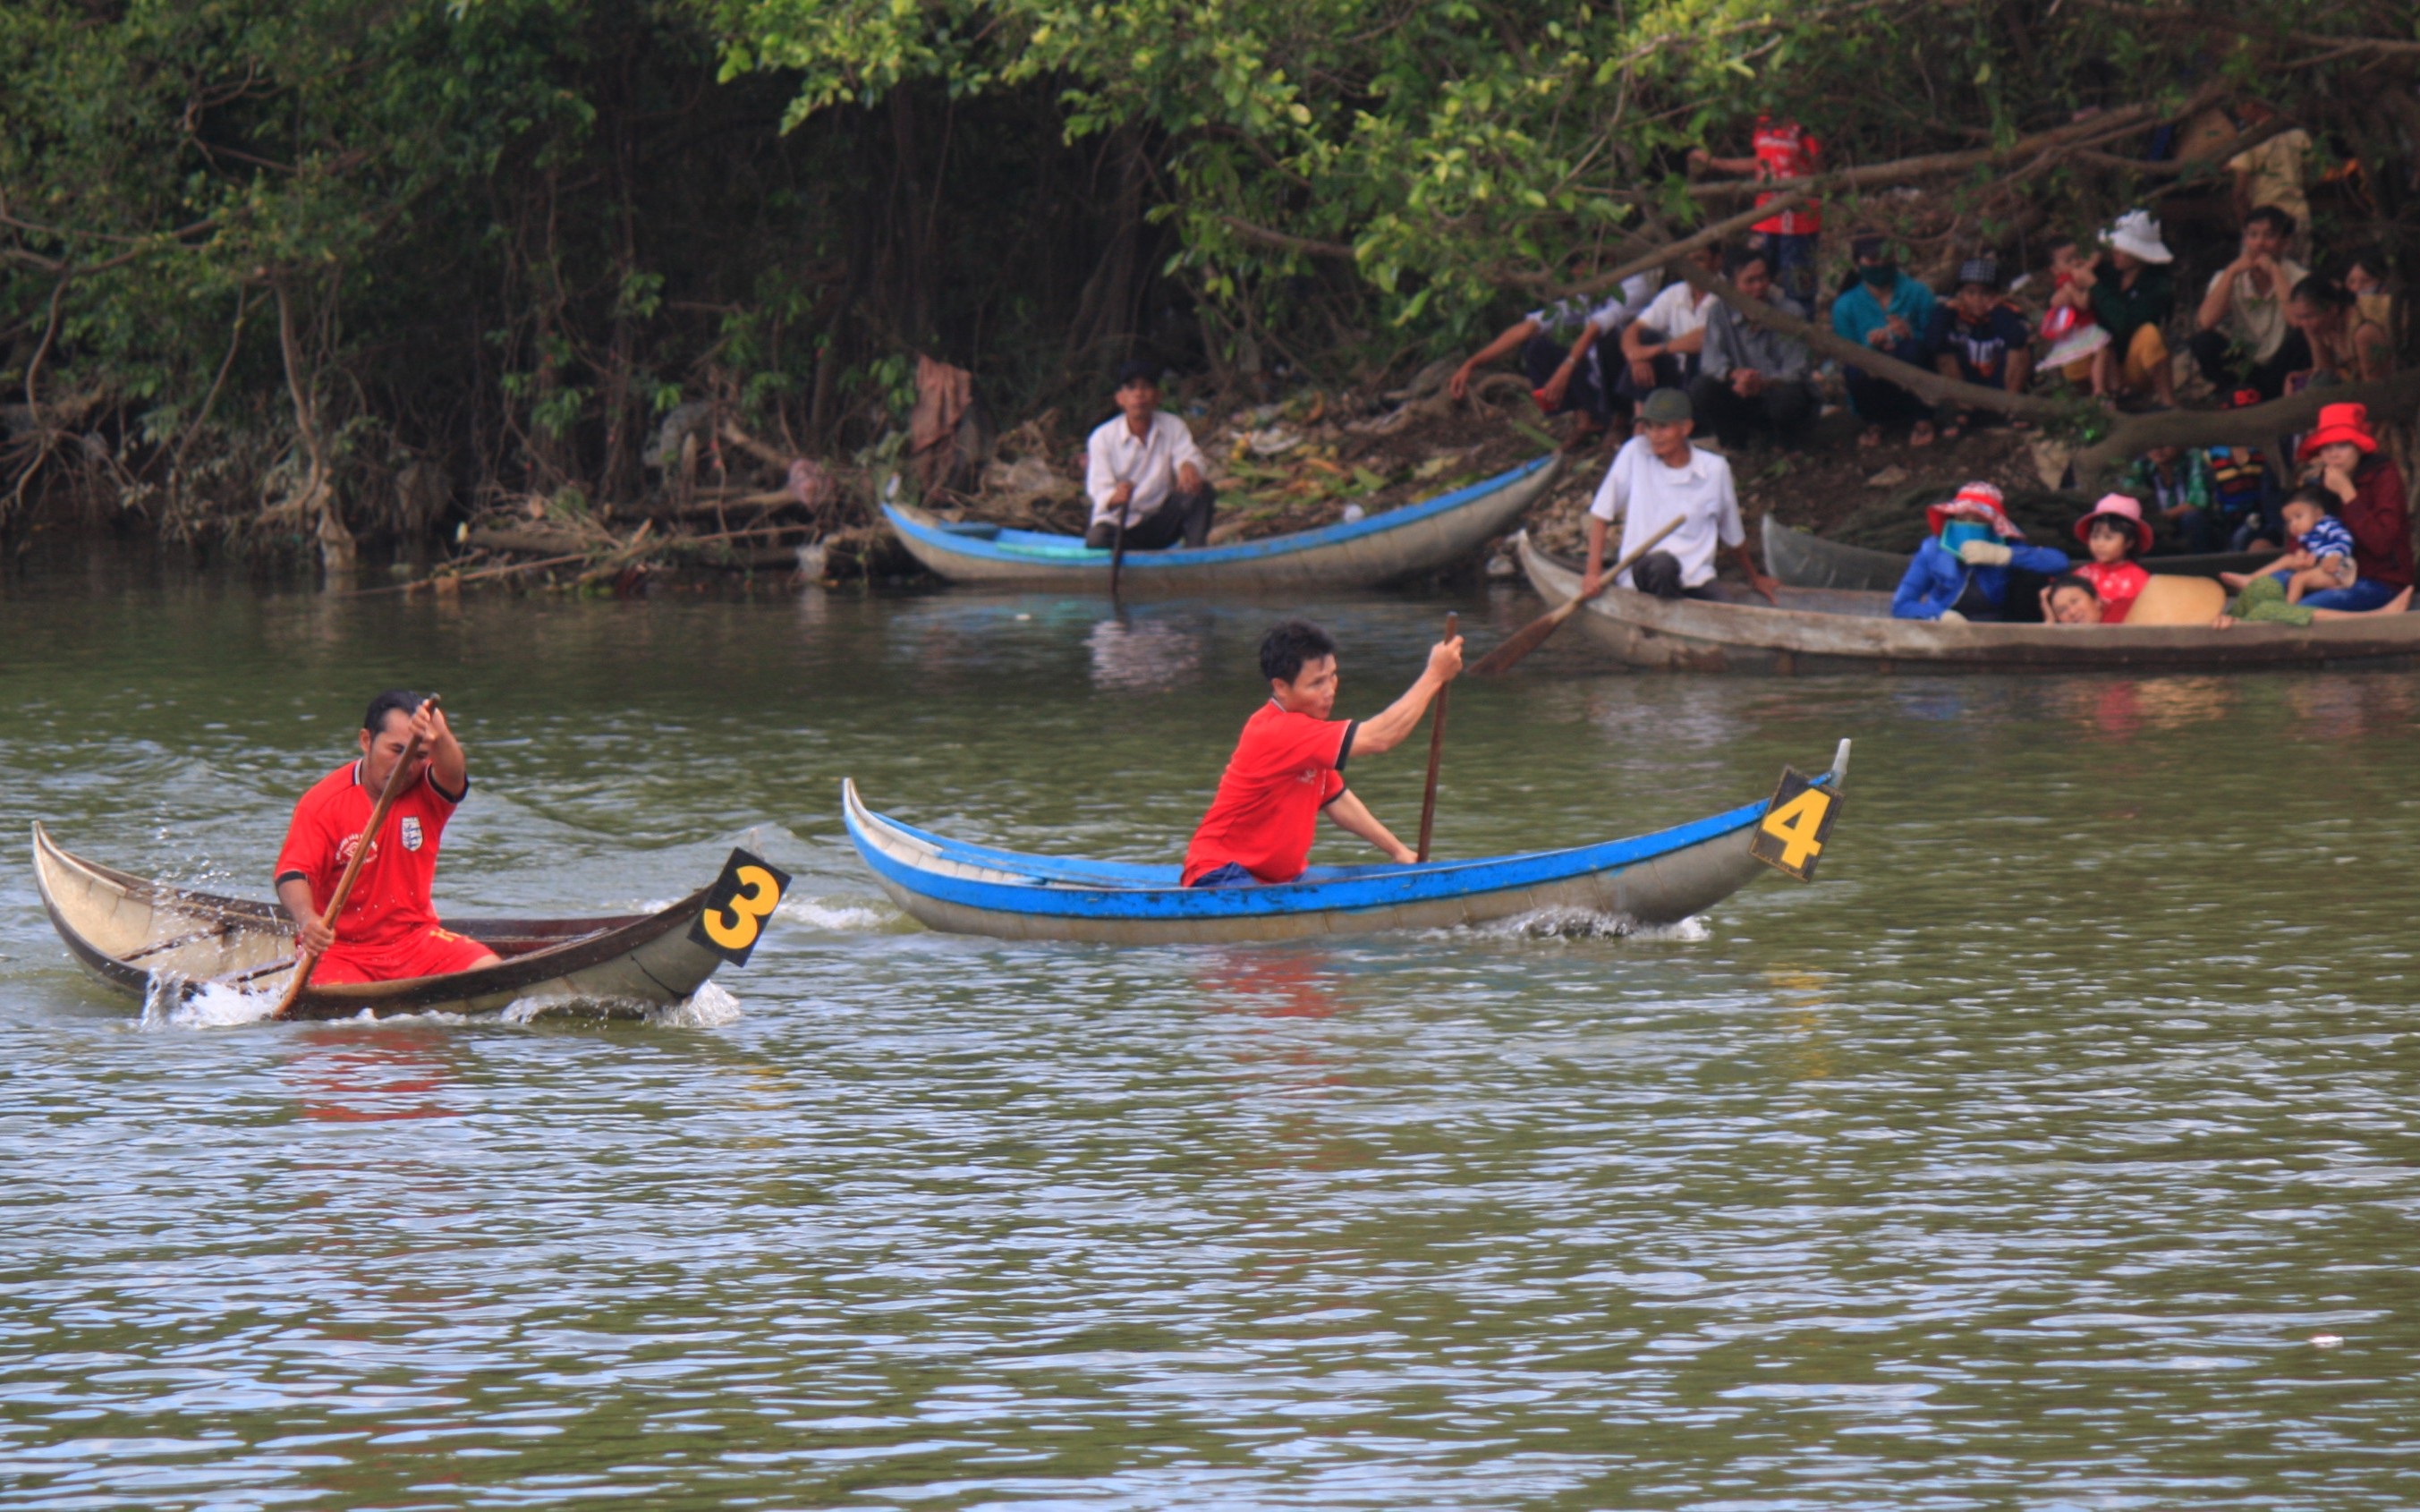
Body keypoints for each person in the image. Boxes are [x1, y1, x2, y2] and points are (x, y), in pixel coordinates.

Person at [1182, 619, 1463, 886]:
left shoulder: (1307, 735)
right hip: (1220, 872)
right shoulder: (1278, 730)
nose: (1330, 691)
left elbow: (1336, 799)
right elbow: (1380, 738)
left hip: (1279, 877)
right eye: (1317, 684)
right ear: (1280, 687)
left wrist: (1399, 852)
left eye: (1332, 677)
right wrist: (1434, 676)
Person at [275, 692, 501, 985]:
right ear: (366, 741)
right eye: (396, 750)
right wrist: (308, 920)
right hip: (340, 951)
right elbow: (293, 874)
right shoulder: (321, 803)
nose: (406, 765)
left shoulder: (428, 788)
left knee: (493, 975)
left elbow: (454, 772)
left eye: (419, 755)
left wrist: (441, 734)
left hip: (416, 941)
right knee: (337, 1023)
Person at [1578, 387, 1779, 602]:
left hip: (1694, 577)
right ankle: (1663, 620)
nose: (1654, 435)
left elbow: (1732, 533)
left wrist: (1754, 577)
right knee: (1664, 566)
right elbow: (1601, 514)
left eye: (1663, 427)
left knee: (1726, 606)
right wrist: (1592, 573)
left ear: (1685, 428)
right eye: (1649, 427)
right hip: (1645, 571)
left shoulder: (1714, 469)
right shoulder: (1635, 452)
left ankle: (1676, 616)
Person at [1448, 274, 1661, 446]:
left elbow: (1596, 328)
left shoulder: (1634, 285)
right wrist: (1472, 364)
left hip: (1631, 385)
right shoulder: (1586, 295)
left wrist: (1566, 368)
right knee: (1536, 347)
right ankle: (1586, 419)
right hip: (1597, 384)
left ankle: (1620, 421)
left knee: (1607, 340)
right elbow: (1529, 327)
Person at [1690, 244, 1816, 451]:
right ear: (1733, 285)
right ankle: (1733, 441)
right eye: (1750, 281)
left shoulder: (1790, 312)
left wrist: (1764, 383)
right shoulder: (1719, 312)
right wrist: (1735, 374)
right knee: (1702, 387)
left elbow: (1798, 368)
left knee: (1790, 396)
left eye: (1763, 278)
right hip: (1741, 392)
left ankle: (1786, 442)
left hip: (1776, 392)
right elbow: (1710, 361)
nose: (1759, 286)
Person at [1890, 480, 2072, 622]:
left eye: (1978, 519)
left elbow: (2059, 562)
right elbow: (1902, 604)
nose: (1969, 524)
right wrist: (1938, 616)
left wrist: (2004, 555)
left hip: (1998, 628)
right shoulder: (1933, 549)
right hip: (1945, 630)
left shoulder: (2005, 544)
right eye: (1963, 517)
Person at [2289, 403, 2412, 612]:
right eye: (2327, 448)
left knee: (2301, 610)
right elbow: (2302, 531)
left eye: (2342, 446)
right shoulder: (2323, 482)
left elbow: (2381, 544)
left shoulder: (2383, 475)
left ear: (2358, 447)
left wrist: (2347, 492)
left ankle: (2383, 614)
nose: (2334, 455)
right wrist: (2300, 553)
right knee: (2269, 586)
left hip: (2381, 581)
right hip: (2333, 575)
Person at [1690, 115, 1823, 303]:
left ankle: (1799, 329)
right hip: (1765, 222)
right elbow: (1761, 161)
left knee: (1798, 289)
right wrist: (1716, 163)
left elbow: (1818, 169)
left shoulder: (1806, 123)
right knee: (1753, 278)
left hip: (1799, 225)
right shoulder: (1764, 122)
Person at [1084, 361, 1214, 550]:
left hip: (1160, 522)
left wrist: (1188, 466)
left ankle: (1195, 556)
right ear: (1120, 398)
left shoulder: (1173, 426)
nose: (1139, 394)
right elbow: (1098, 490)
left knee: (1201, 492)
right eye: (1132, 388)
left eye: (1146, 387)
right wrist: (1115, 496)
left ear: (1158, 396)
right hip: (1122, 527)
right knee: (1097, 539)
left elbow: (1188, 455)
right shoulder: (1102, 437)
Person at [1831, 233, 1940, 446]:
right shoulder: (1845, 305)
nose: (1880, 265)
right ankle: (1874, 421)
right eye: (1872, 260)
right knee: (1856, 370)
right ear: (1857, 264)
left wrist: (1909, 335)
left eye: (1886, 258)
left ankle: (1922, 417)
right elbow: (1847, 353)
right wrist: (1870, 346)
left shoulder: (1918, 293)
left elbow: (1935, 341)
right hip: (1873, 380)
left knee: (1913, 350)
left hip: (1912, 376)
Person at [2190, 208, 2311, 400]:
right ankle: (2235, 394)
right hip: (2244, 367)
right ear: (2245, 239)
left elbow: (2297, 321)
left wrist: (2275, 272)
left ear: (2284, 243)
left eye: (2269, 236)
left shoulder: (2298, 277)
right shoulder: (2230, 276)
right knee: (2204, 342)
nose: (2260, 243)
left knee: (2306, 334)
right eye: (2253, 235)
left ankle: (2290, 396)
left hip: (2282, 367)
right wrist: (2231, 273)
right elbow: (2206, 322)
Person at [2072, 210, 2178, 405]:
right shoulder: (2106, 272)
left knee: (2150, 335)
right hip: (2102, 359)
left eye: (2123, 249)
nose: (2115, 252)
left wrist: (2095, 286)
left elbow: (2127, 322)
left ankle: (2168, 402)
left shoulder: (2158, 285)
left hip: (2135, 363)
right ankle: (2094, 400)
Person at [1926, 258, 2034, 440]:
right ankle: (1962, 411)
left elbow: (2018, 339)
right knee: (1943, 354)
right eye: (1971, 293)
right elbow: (1931, 344)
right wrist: (1946, 313)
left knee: (2020, 351)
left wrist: (1996, 311)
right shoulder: (1950, 314)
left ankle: (2011, 410)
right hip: (1967, 385)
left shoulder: (2007, 312)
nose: (1977, 300)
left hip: (2001, 384)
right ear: (1961, 293)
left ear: (1996, 294)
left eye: (1985, 293)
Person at [1619, 242, 1723, 397]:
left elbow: (1705, 338)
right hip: (1677, 370)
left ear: (1717, 262)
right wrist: (1635, 357)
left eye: (1699, 260)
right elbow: (1633, 329)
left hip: (1712, 373)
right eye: (1686, 262)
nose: (1691, 267)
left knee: (1694, 356)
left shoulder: (1729, 294)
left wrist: (1654, 351)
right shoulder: (1675, 293)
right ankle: (1640, 416)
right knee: (1644, 338)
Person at [2285, 275, 2394, 388]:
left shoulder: (2364, 332)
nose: (2304, 324)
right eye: (2300, 318)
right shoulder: (2318, 329)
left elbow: (2376, 385)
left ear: (2333, 309)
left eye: (2309, 316)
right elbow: (2324, 371)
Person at [2037, 235, 2112, 399]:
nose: (2076, 263)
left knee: (2103, 352)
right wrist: (2088, 287)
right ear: (2055, 270)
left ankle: (2104, 390)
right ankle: (2098, 390)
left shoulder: (2076, 275)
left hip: (2087, 326)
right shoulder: (2068, 284)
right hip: (2081, 328)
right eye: (2068, 260)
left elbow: (2092, 261)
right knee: (2101, 350)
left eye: (2077, 257)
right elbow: (2083, 304)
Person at [2226, 101, 2314, 236]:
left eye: (2240, 108)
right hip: (2298, 215)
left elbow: (2240, 192)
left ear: (2253, 106)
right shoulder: (2299, 135)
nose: (2239, 114)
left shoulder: (2249, 139)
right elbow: (2309, 176)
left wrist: (2247, 227)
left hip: (2264, 221)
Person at [2069, 494, 2154, 624]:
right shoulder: (2080, 575)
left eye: (2108, 537)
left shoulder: (2140, 580)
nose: (2100, 543)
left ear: (2129, 542)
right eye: (2095, 536)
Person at [2119, 444, 2214, 548]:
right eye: (2152, 443)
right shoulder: (2141, 464)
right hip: (2155, 526)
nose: (2157, 449)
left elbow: (2198, 502)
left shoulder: (2193, 458)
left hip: (2191, 526)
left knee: (2192, 518)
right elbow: (2125, 501)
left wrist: (2161, 518)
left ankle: (2200, 561)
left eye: (2165, 443)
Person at [2042, 574, 2106, 625]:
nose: (2072, 612)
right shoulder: (2065, 640)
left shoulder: (2115, 618)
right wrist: (2050, 621)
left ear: (2096, 600)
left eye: (2075, 602)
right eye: (2062, 610)